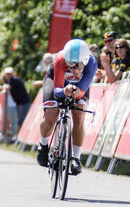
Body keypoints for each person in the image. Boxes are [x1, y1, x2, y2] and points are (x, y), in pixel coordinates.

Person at [37, 39, 98, 175]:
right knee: (51, 115)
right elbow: (57, 91)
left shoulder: (92, 63)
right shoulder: (60, 59)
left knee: (79, 115)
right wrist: (64, 91)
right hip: (55, 81)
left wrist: (76, 93)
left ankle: (76, 157)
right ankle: (43, 144)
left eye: (79, 65)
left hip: (78, 85)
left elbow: (81, 91)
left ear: (86, 60)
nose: (74, 69)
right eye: (70, 64)